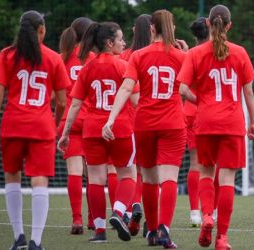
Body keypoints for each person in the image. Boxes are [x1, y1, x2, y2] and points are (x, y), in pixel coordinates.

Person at [102, 9, 187, 248]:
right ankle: (164, 230)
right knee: (169, 178)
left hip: (145, 123)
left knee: (149, 178)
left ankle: (151, 231)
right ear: (173, 29)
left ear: (152, 29)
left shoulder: (138, 55)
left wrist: (110, 119)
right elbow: (187, 90)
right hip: (173, 122)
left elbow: (127, 89)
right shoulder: (181, 57)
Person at [0, 10, 69, 250]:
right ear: (41, 30)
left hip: (12, 125)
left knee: (12, 177)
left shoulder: (6, 55)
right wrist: (55, 124)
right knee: (39, 180)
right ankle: (36, 241)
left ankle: (18, 237)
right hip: (41, 127)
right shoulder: (53, 58)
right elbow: (62, 101)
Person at [178, 5, 254, 250]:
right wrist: (252, 122)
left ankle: (207, 217)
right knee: (226, 180)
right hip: (232, 124)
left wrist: (201, 101)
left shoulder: (195, 53)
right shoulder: (240, 52)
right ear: (229, 25)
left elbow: (182, 89)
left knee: (205, 173)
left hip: (205, 122)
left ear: (208, 24)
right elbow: (248, 92)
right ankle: (222, 238)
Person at [57, 21, 137, 243]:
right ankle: (119, 212)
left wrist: (65, 132)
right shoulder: (123, 67)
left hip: (91, 129)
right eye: (120, 39)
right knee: (128, 174)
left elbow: (74, 104)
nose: (124, 43)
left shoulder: (88, 68)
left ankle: (100, 230)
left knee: (95, 179)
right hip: (119, 127)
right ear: (109, 43)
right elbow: (135, 100)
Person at [58, 16, 95, 235]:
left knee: (74, 171)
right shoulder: (93, 58)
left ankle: (77, 220)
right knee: (94, 173)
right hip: (91, 119)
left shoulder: (61, 58)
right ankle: (94, 219)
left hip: (69, 120)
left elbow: (57, 96)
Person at [119, 13, 152, 237]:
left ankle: (132, 208)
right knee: (150, 172)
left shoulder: (123, 56)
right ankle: (150, 218)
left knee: (131, 172)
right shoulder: (157, 55)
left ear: (133, 30)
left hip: (128, 120)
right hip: (152, 118)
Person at [184, 16, 209, 228]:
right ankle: (212, 211)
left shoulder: (190, 55)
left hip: (190, 112)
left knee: (195, 164)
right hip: (211, 112)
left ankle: (194, 213)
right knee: (214, 164)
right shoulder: (218, 52)